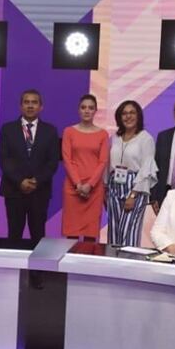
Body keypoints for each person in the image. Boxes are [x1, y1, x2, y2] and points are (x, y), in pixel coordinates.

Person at [0, 89, 61, 241]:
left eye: (34, 102)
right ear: (21, 106)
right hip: (14, 190)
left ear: (41, 107)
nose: (30, 106)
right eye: (26, 102)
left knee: (38, 236)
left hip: (39, 191)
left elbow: (52, 161)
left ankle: (37, 260)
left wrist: (36, 181)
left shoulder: (50, 131)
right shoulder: (7, 129)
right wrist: (20, 181)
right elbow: (4, 159)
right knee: (14, 236)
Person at [106, 100, 158, 247]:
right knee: (114, 233)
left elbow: (146, 169)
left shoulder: (146, 138)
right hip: (114, 187)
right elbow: (108, 163)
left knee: (128, 233)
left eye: (132, 113)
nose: (128, 116)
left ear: (138, 116)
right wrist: (106, 188)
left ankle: (127, 261)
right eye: (124, 113)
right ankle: (112, 261)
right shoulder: (115, 138)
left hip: (135, 188)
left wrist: (133, 195)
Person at [61, 94, 109, 240]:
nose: (87, 111)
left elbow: (103, 161)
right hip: (73, 188)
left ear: (95, 111)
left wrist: (89, 185)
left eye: (90, 108)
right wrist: (78, 184)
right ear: (78, 110)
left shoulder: (103, 134)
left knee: (90, 235)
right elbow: (67, 159)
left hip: (94, 190)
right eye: (83, 107)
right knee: (72, 235)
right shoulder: (68, 131)